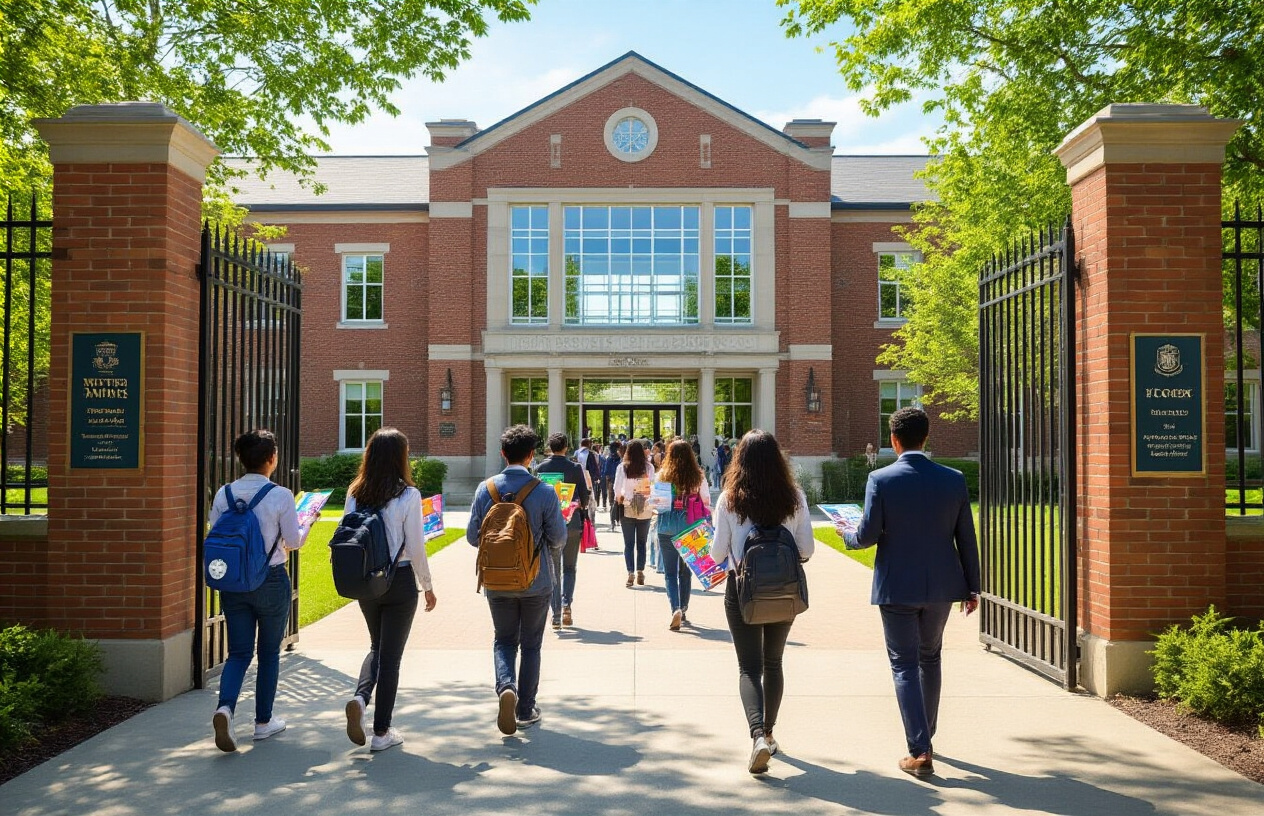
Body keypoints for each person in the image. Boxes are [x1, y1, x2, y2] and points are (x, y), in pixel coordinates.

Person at [836, 407, 981, 778]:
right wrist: (973, 587)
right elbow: (966, 536)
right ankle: (925, 735)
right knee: (930, 657)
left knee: (904, 663)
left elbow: (866, 536)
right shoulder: (953, 479)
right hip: (942, 586)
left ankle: (919, 750)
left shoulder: (880, 479)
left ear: (894, 440)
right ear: (927, 437)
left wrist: (846, 535)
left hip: (897, 586)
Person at [711, 429, 815, 774]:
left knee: (748, 668)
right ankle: (769, 733)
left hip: (742, 591)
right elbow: (806, 551)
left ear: (740, 459)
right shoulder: (795, 497)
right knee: (774, 663)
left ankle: (756, 734)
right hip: (784, 590)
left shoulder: (729, 499)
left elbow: (717, 554)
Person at [342, 427, 438, 752]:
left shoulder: (355, 491)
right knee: (391, 658)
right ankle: (381, 732)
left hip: (366, 581)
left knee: (376, 646)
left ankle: (360, 696)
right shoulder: (408, 495)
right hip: (398, 579)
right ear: (401, 458)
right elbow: (416, 545)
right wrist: (427, 585)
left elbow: (348, 534)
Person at [467, 425, 567, 734]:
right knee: (532, 645)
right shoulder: (545, 491)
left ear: (502, 453)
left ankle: (506, 687)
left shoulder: (486, 489)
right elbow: (559, 538)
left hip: (496, 580)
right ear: (531, 455)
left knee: (504, 639)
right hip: (536, 581)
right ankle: (525, 709)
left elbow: (473, 537)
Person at [209, 429, 303, 753]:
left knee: (238, 653)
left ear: (241, 459)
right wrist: (307, 523)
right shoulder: (281, 496)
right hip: (271, 580)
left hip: (234, 584)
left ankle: (225, 708)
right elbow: (294, 539)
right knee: (269, 653)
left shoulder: (223, 494)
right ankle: (263, 723)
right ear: (271, 459)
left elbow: (215, 535)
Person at [653, 440, 711, 630]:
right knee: (685, 571)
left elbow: (658, 504)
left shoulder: (662, 475)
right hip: (691, 526)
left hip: (667, 526)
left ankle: (675, 608)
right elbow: (706, 500)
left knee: (670, 573)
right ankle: (684, 608)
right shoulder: (698, 476)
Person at [536, 432, 591, 628]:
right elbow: (585, 499)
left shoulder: (541, 468)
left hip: (549, 525)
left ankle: (556, 614)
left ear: (550, 447)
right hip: (572, 523)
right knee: (569, 567)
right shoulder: (575, 468)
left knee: (553, 570)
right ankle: (567, 604)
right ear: (566, 447)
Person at [613, 439, 655, 588]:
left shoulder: (622, 467)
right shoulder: (649, 467)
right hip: (644, 507)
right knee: (642, 543)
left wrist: (622, 498)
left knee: (629, 543)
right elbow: (652, 486)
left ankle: (630, 572)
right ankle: (640, 571)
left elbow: (617, 490)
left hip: (627, 507)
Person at [602, 440, 623, 528]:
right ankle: (618, 519)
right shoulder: (621, 459)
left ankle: (613, 521)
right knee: (620, 501)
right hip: (620, 481)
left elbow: (606, 471)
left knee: (612, 501)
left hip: (611, 480)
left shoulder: (609, 458)